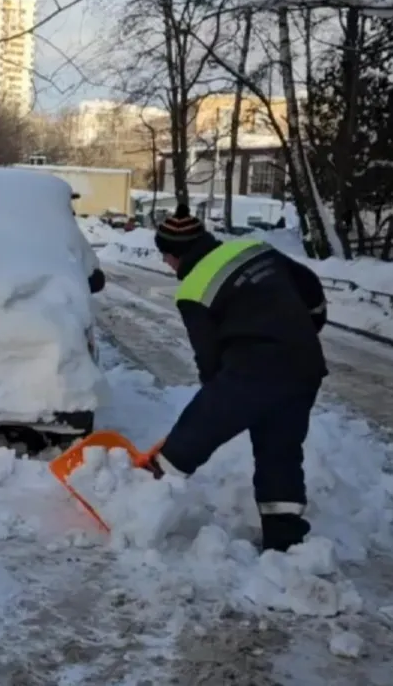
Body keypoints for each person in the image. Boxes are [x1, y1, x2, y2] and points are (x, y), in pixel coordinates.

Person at [145, 207, 329, 552]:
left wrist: (220, 398)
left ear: (175, 254)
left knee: (195, 432)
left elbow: (209, 359)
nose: (167, 265)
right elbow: (310, 287)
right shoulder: (253, 248)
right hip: (304, 364)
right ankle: (285, 540)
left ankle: (143, 491)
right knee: (281, 452)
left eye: (166, 257)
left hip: (254, 369)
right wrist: (308, 326)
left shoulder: (193, 289)